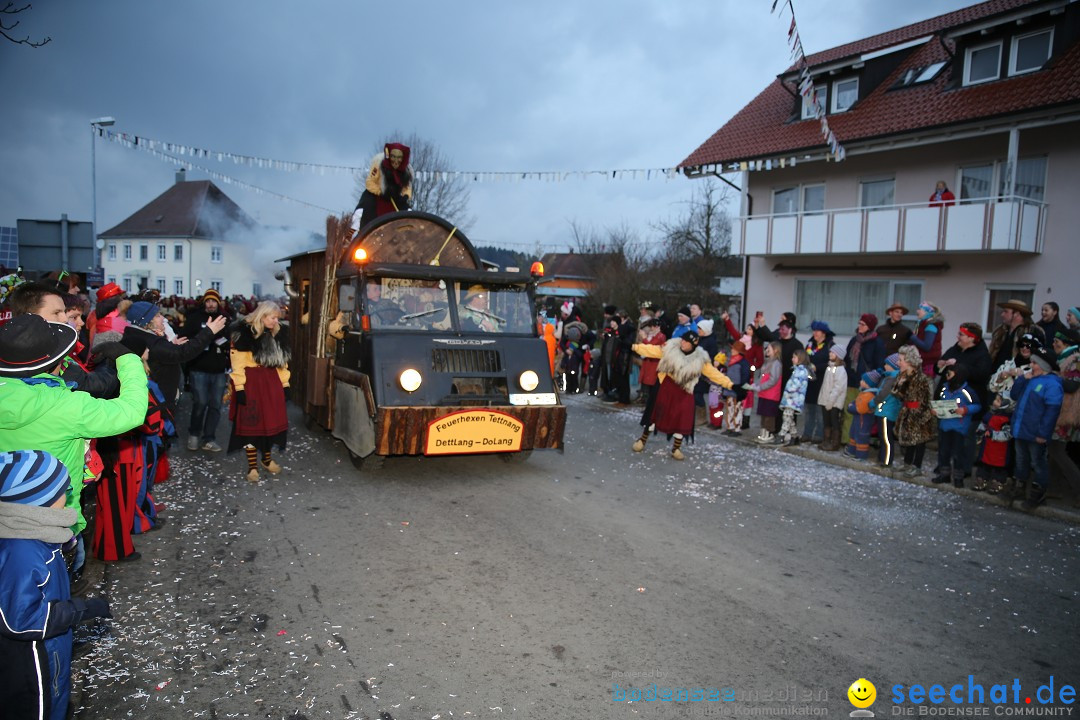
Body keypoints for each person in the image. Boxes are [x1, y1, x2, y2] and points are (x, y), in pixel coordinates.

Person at [0, 315, 149, 581]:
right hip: (52, 525)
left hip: (5, 519)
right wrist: (128, 359)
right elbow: (131, 411)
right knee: (55, 595)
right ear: (58, 363)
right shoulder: (66, 406)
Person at [0, 449, 112, 720]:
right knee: (43, 707)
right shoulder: (22, 553)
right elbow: (22, 620)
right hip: (37, 658)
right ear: (40, 502)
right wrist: (78, 610)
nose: (70, 494)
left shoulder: (33, 534)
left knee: (57, 698)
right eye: (64, 490)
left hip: (52, 644)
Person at [630, 331, 732, 460]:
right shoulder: (671, 348)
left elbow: (713, 373)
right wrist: (635, 347)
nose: (683, 343)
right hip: (666, 387)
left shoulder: (700, 359)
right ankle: (642, 440)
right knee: (656, 414)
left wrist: (730, 384)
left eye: (686, 342)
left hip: (685, 391)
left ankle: (676, 448)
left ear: (693, 345)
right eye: (682, 340)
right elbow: (652, 350)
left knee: (682, 418)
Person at [229, 301, 291, 483]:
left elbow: (282, 362)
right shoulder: (244, 334)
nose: (275, 321)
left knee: (269, 424)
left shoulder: (278, 333)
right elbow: (237, 363)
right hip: (252, 383)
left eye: (277, 318)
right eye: (272, 318)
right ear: (262, 316)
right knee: (251, 425)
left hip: (271, 382)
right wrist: (239, 387)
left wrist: (285, 383)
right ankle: (252, 467)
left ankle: (266, 459)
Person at [1009, 349, 1063, 510]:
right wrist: (1021, 379)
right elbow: (1014, 395)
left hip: (1036, 432)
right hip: (1021, 429)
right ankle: (1019, 488)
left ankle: (1038, 493)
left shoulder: (1052, 384)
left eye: (1034, 363)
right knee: (1021, 460)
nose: (1031, 365)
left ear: (1043, 366)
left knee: (1038, 462)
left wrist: (1043, 433)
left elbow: (1052, 412)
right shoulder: (1031, 379)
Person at [181, 289, 232, 451]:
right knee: (200, 402)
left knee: (215, 405)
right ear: (204, 302)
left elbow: (231, 341)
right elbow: (184, 338)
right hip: (199, 368)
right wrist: (202, 337)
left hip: (218, 369)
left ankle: (209, 438)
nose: (210, 304)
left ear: (218, 302)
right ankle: (194, 434)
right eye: (208, 301)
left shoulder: (225, 319)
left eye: (213, 301)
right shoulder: (195, 319)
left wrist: (220, 340)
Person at [349, 142, 413, 238]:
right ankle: (353, 236)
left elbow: (407, 187)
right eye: (393, 157)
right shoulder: (378, 164)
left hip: (395, 198)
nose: (396, 160)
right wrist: (381, 192)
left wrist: (405, 196)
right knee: (362, 211)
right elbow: (370, 182)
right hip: (376, 195)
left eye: (399, 157)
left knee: (408, 213)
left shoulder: (406, 171)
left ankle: (410, 237)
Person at [932, 365, 981, 487]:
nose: (947, 376)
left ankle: (958, 477)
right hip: (945, 425)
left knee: (958, 454)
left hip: (959, 427)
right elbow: (940, 402)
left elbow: (977, 406)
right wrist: (936, 410)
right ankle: (944, 474)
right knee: (944, 452)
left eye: (950, 374)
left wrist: (965, 410)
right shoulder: (945, 389)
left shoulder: (966, 391)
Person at [892, 344, 935, 478]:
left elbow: (927, 400)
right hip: (907, 412)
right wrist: (899, 385)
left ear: (910, 362)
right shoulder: (903, 376)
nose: (898, 363)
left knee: (919, 441)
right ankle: (907, 463)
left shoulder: (922, 379)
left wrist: (921, 417)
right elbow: (898, 395)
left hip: (919, 415)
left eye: (901, 360)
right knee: (909, 440)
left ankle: (917, 466)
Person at [843, 313, 884, 444]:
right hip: (852, 381)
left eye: (863, 324)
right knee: (849, 410)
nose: (859, 326)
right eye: (859, 323)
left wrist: (872, 380)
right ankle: (847, 441)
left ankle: (860, 442)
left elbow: (880, 364)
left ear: (870, 326)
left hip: (867, 385)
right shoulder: (855, 340)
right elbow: (847, 360)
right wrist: (849, 373)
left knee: (863, 415)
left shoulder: (877, 342)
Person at [973, 396, 1013, 494]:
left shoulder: (1006, 419)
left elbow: (1007, 434)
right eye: (995, 400)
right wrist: (980, 432)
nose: (995, 402)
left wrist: (993, 434)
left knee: (999, 467)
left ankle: (997, 481)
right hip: (987, 445)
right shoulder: (989, 414)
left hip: (1000, 448)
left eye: (998, 401)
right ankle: (981, 479)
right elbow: (983, 424)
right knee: (984, 463)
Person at [988, 299, 1043, 372]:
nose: (1002, 314)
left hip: (1018, 376)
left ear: (1016, 314)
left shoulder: (1032, 332)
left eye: (1006, 311)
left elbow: (1033, 354)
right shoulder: (1000, 331)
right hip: (996, 375)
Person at [802, 320, 833, 444]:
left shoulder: (829, 346)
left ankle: (820, 434)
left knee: (820, 410)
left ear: (824, 333)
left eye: (817, 331)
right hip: (809, 381)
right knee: (809, 409)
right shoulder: (810, 344)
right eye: (813, 330)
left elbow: (831, 363)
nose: (814, 333)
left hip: (822, 381)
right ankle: (807, 433)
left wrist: (817, 367)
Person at [748, 341, 784, 445]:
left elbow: (773, 380)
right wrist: (757, 385)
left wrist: (761, 386)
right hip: (764, 393)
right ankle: (763, 433)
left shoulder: (776, 364)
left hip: (771, 394)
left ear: (776, 350)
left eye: (769, 349)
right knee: (763, 414)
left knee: (769, 415)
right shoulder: (768, 362)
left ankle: (768, 434)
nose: (767, 350)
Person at [873, 354, 903, 469]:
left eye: (887, 364)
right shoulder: (889, 377)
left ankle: (886, 460)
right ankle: (882, 457)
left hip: (886, 412)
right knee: (883, 436)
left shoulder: (892, 379)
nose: (885, 366)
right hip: (883, 411)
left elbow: (883, 394)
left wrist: (873, 402)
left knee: (886, 437)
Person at [818, 344, 848, 451]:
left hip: (834, 403)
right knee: (826, 422)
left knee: (834, 422)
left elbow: (838, 388)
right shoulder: (830, 368)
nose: (830, 354)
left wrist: (830, 402)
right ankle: (826, 440)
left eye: (833, 352)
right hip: (825, 401)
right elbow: (825, 386)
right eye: (830, 352)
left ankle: (835, 443)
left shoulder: (840, 370)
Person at [845, 370, 880, 460]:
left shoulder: (869, 395)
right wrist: (853, 405)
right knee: (853, 434)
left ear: (868, 384)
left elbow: (860, 409)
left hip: (863, 420)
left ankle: (861, 455)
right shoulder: (863, 393)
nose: (860, 382)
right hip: (858, 419)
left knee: (861, 436)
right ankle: (852, 451)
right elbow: (856, 402)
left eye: (863, 381)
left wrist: (851, 407)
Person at [721, 340, 751, 437]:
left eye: (734, 348)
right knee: (729, 409)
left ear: (739, 351)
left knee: (738, 410)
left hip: (738, 391)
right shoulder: (731, 361)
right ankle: (730, 427)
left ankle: (737, 428)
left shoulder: (744, 363)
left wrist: (742, 389)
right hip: (730, 389)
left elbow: (745, 377)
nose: (732, 350)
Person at [909, 302, 944, 376]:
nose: (917, 311)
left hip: (928, 365)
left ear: (927, 311)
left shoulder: (931, 326)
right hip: (923, 362)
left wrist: (912, 337)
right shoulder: (922, 324)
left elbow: (926, 346)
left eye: (920, 309)